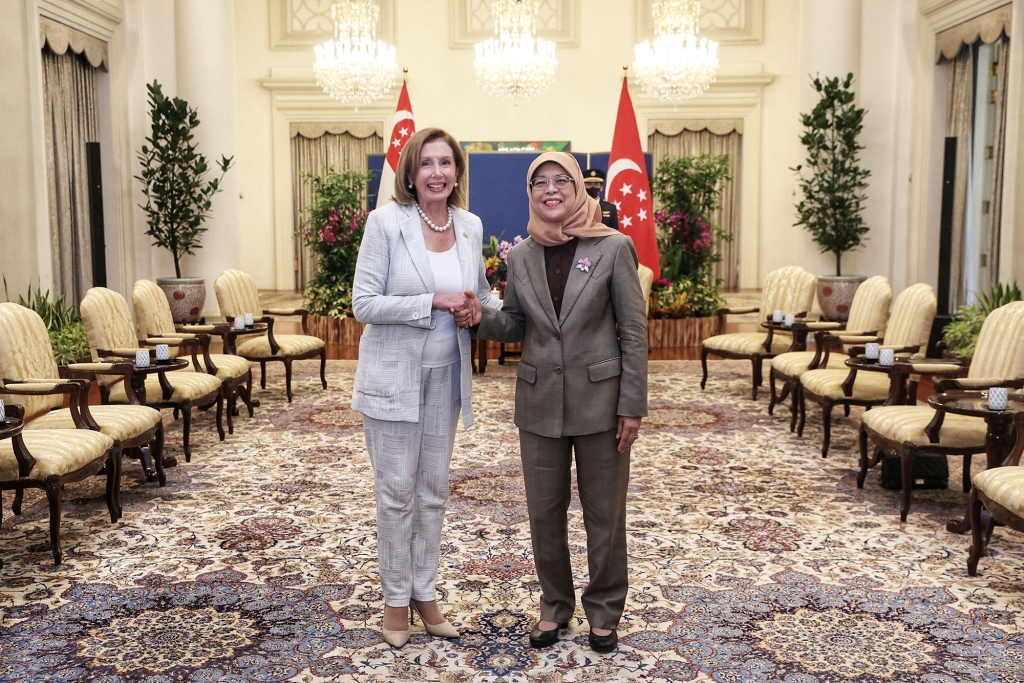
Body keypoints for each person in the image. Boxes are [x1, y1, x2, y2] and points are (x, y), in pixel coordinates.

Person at [459, 152, 648, 654]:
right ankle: (555, 607)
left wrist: (632, 405)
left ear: (577, 187)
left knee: (604, 515)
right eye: (539, 181)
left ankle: (604, 612)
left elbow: (632, 331)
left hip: (602, 402)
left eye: (559, 180)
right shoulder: (520, 256)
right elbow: (517, 324)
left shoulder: (613, 247)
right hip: (539, 402)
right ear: (530, 192)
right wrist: (481, 316)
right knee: (545, 514)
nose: (550, 189)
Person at [351, 127, 502, 648]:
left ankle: (425, 591)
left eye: (447, 163)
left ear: (457, 171)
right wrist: (431, 303)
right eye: (427, 164)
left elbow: (478, 293)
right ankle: (396, 601)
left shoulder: (470, 225)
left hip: (446, 381)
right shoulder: (385, 222)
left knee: (433, 493)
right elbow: (363, 303)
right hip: (393, 382)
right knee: (396, 495)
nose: (438, 173)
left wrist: (487, 308)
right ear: (411, 174)